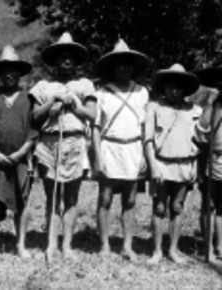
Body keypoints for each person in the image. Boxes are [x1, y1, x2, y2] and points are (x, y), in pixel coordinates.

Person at [29, 32, 97, 261]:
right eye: (61, 57)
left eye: (70, 57)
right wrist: (53, 101)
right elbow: (35, 116)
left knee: (71, 198)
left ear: (76, 61)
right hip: (49, 143)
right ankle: (51, 244)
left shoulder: (84, 84)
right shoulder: (43, 86)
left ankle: (67, 245)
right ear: (54, 61)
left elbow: (92, 114)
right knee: (52, 196)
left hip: (75, 142)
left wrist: (73, 105)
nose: (66, 61)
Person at [92, 39, 149, 262]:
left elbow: (145, 127)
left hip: (134, 148)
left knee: (131, 199)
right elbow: (95, 128)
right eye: (120, 64)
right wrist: (97, 157)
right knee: (105, 198)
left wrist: (145, 154)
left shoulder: (142, 92)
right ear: (112, 67)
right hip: (109, 148)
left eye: (128, 64)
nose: (124, 68)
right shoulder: (102, 93)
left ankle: (127, 245)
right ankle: (105, 244)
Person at [0, 45, 37, 259]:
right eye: (5, 70)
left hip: (20, 160)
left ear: (20, 73)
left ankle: (20, 244)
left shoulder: (28, 98)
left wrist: (21, 152)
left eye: (13, 70)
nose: (9, 74)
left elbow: (33, 130)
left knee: (21, 202)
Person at [145, 64, 201, 264]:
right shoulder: (154, 108)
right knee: (159, 208)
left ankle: (173, 250)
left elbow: (197, 141)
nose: (174, 91)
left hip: (184, 165)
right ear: (164, 88)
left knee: (177, 207)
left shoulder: (195, 110)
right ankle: (157, 250)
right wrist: (153, 165)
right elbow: (149, 139)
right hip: (161, 164)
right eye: (170, 87)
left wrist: (194, 166)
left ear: (185, 89)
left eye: (178, 87)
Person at [195, 59, 222, 262]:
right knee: (209, 204)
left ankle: (220, 246)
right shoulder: (211, 106)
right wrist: (211, 103)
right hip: (212, 158)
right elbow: (202, 130)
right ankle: (208, 248)